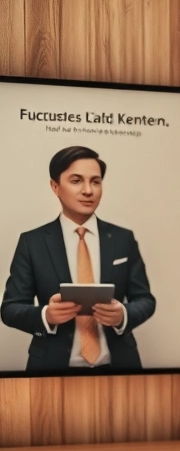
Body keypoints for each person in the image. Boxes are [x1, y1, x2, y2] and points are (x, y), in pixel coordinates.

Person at [1, 146, 156, 372]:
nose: (88, 190)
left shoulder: (123, 239)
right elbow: (10, 308)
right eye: (76, 181)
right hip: (51, 369)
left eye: (95, 181)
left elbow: (145, 299)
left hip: (119, 366)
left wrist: (123, 315)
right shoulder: (32, 242)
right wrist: (46, 315)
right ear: (55, 186)